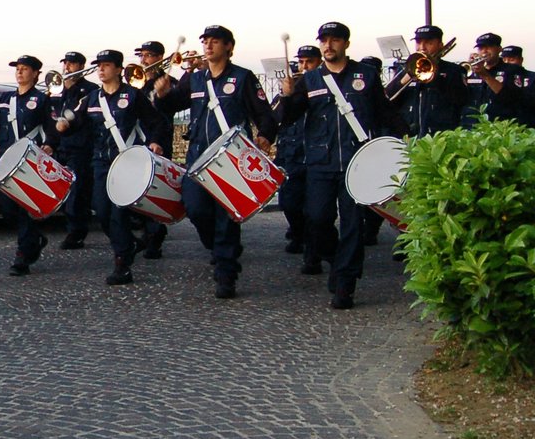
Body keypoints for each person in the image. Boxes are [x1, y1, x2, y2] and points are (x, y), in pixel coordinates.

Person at [276, 21, 402, 309]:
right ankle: (335, 260)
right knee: (317, 220)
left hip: (357, 162)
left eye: (334, 40)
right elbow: (290, 117)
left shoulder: (366, 75)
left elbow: (385, 112)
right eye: (324, 40)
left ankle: (345, 283)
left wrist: (404, 138)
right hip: (320, 162)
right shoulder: (310, 80)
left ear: (346, 43)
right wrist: (287, 95)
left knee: (352, 225)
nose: (328, 45)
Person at [172, 24, 278, 299]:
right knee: (194, 208)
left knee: (226, 217)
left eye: (215, 42)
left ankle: (226, 273)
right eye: (206, 41)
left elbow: (263, 112)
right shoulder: (195, 79)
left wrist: (265, 135)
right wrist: (162, 88)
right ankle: (219, 250)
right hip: (197, 153)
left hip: (229, 156)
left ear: (229, 47)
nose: (208, 46)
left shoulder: (243, 78)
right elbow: (168, 104)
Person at [58, 49, 169, 285]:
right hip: (101, 162)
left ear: (119, 69)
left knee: (118, 213)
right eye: (99, 65)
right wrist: (64, 125)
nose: (101, 69)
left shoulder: (133, 96)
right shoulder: (91, 99)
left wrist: (155, 141)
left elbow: (157, 121)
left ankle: (122, 263)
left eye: (106, 65)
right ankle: (128, 243)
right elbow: (75, 121)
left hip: (127, 161)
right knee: (102, 210)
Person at [0, 54, 54, 275]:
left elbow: (51, 126)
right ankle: (35, 238)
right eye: (17, 68)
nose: (19, 72)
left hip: (29, 159)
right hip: (6, 160)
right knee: (8, 209)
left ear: (36, 73)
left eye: (25, 69)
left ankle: (23, 256)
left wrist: (49, 145)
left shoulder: (42, 99)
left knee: (26, 207)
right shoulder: (5, 98)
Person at [273, 44, 321, 254]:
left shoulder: (322, 88)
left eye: (309, 62)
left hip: (315, 155)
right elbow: (275, 118)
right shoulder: (291, 90)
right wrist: (287, 95)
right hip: (291, 154)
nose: (304, 66)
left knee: (316, 209)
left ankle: (313, 251)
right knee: (289, 202)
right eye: (301, 62)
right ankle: (298, 232)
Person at [132, 40, 175, 259]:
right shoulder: (136, 84)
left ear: (160, 58)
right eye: (142, 56)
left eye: (149, 55)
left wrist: (164, 93)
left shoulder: (169, 82)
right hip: (138, 140)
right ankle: (146, 231)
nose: (144, 60)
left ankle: (155, 235)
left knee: (154, 188)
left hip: (160, 140)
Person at [51, 52, 96, 249]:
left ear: (81, 66)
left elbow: (83, 117)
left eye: (71, 63)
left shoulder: (89, 90)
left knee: (77, 191)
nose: (67, 67)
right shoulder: (58, 89)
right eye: (65, 63)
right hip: (60, 146)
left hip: (80, 147)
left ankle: (76, 232)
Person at [392, 24, 469, 137]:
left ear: (440, 45)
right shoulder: (404, 68)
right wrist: (406, 77)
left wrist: (436, 77)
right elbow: (388, 98)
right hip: (409, 134)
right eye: (418, 42)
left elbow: (461, 101)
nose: (422, 47)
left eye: (429, 43)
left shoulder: (453, 70)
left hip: (440, 135)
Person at [463, 32, 534, 126]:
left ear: (499, 49)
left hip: (501, 126)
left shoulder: (513, 69)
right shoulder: (472, 71)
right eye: (481, 48)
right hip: (472, 126)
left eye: (489, 47)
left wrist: (485, 75)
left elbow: (511, 97)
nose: (484, 51)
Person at [500, 45, 535, 125]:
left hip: (527, 124)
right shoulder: (496, 78)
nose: (507, 63)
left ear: (521, 60)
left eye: (511, 59)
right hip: (501, 126)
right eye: (504, 60)